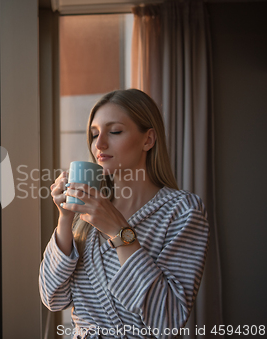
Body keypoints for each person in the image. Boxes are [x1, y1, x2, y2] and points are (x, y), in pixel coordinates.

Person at [39, 89, 209, 339]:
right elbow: (53, 298)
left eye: (115, 131)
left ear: (148, 140)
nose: (100, 144)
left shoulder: (183, 210)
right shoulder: (86, 214)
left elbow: (168, 320)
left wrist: (120, 232)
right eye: (94, 134)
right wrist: (65, 219)